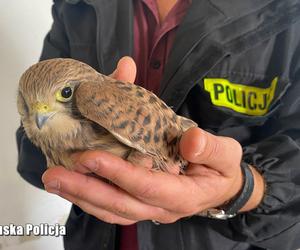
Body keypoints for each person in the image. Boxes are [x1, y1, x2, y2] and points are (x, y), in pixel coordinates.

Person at [16, 0, 300, 249]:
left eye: (64, 95)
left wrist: (241, 189)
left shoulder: (287, 11)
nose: (41, 112)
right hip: (91, 237)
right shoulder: (75, 6)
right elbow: (31, 151)